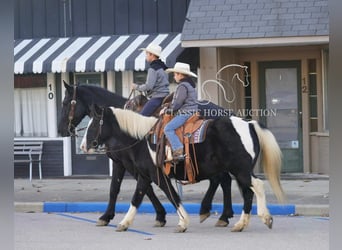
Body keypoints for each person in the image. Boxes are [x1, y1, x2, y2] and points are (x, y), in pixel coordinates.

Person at [161, 62, 198, 161]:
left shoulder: (182, 86)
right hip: (193, 111)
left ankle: (178, 150)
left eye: (175, 74)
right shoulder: (191, 85)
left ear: (180, 74)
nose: (174, 76)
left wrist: (167, 111)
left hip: (185, 113)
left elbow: (177, 103)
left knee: (168, 128)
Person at [131, 43, 170, 116]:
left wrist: (136, 87)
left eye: (147, 54)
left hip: (157, 98)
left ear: (152, 55)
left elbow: (149, 86)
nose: (146, 56)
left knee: (141, 117)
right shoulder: (163, 67)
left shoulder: (153, 69)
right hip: (166, 96)